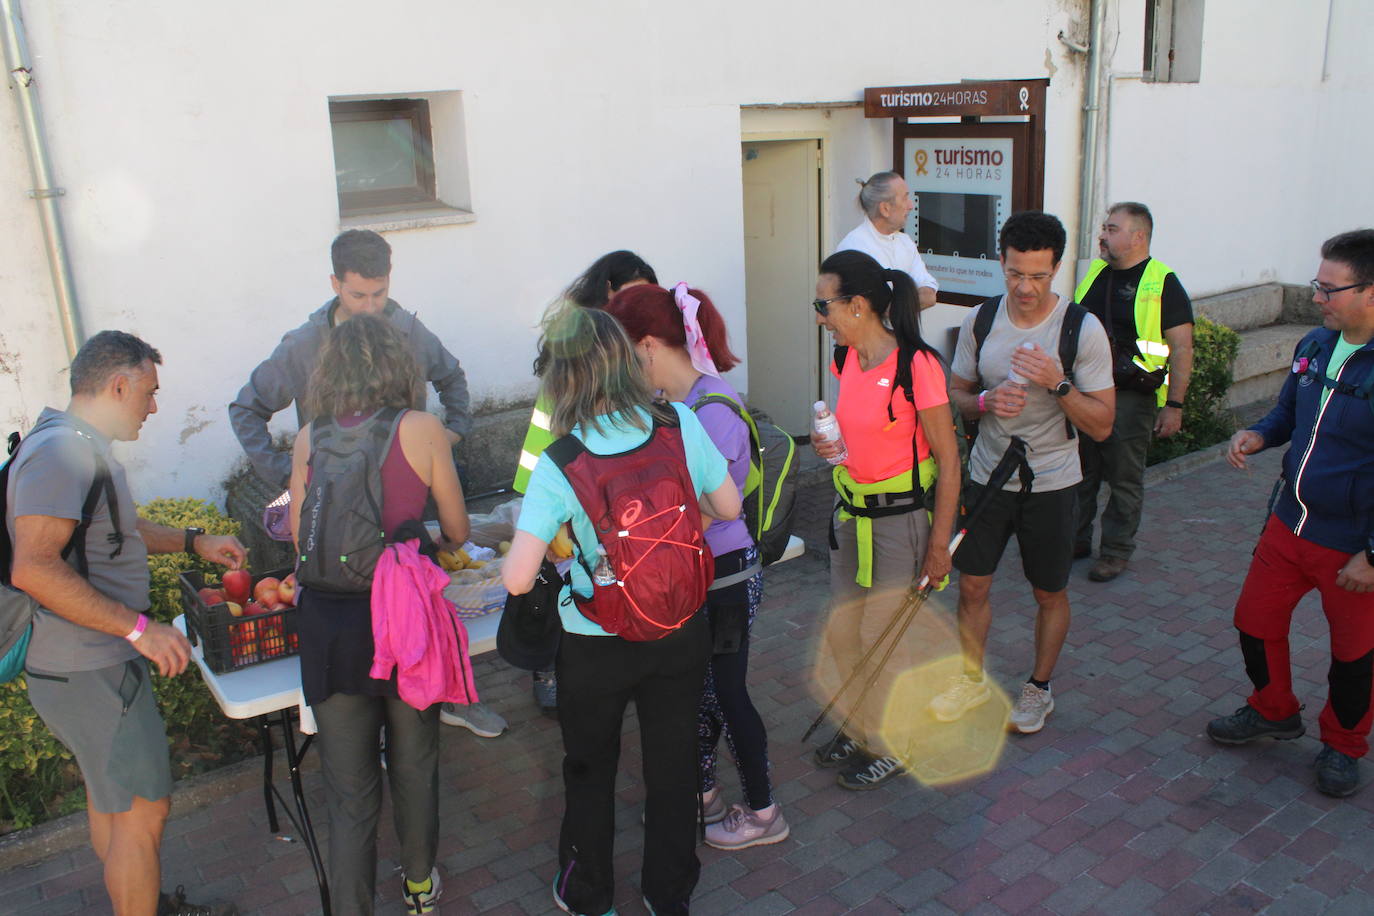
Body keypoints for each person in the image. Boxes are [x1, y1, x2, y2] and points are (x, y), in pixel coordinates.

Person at [502, 306, 740, 916]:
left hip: (595, 637)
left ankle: (590, 894)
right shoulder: (677, 421)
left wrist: (565, 549)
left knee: (589, 768)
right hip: (680, 624)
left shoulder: (560, 461)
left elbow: (517, 575)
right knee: (672, 763)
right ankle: (668, 892)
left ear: (563, 379)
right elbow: (730, 505)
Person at [7, 331, 246, 916]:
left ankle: (145, 902)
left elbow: (119, 527)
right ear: (119, 384)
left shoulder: (74, 447)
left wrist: (196, 540)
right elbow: (33, 568)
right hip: (89, 669)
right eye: (150, 391)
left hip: (88, 667)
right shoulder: (60, 454)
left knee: (114, 804)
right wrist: (139, 629)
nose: (155, 406)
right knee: (143, 812)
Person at [229, 229, 503, 739]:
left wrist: (455, 430)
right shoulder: (303, 345)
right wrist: (290, 477)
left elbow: (452, 375)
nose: (370, 307)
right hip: (335, 524)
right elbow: (246, 409)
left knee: (428, 600)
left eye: (379, 293)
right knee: (357, 629)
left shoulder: (405, 326)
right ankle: (367, 731)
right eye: (358, 295)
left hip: (402, 503)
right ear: (335, 283)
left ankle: (453, 695)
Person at [287, 315, 471, 914]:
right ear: (400, 365)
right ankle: (419, 885)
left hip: (329, 629)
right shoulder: (422, 428)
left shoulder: (309, 436)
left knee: (348, 791)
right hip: (405, 622)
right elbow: (458, 530)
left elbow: (298, 540)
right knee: (415, 764)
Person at [604, 282, 786, 847]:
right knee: (700, 690)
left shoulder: (712, 412)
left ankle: (763, 812)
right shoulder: (681, 406)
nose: (628, 373)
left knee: (727, 692)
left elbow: (704, 514)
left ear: (652, 345)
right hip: (698, 576)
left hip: (725, 578)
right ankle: (701, 793)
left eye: (629, 358)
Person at [1207, 229, 1374, 798]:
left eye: (1329, 288)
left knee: (1352, 659)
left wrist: (1372, 555)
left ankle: (1344, 746)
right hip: (1287, 524)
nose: (1317, 297)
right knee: (1253, 622)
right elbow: (1286, 415)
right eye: (1317, 286)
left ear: (1371, 292)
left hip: (1352, 547)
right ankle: (1273, 708)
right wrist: (1256, 435)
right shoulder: (1314, 345)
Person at [934, 211, 1114, 734]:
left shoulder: (1081, 329)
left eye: (1038, 275)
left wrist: (1059, 385)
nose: (1025, 287)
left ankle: (1038, 689)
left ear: (1056, 268)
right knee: (971, 588)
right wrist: (986, 401)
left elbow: (1102, 426)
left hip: (1053, 482)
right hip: (989, 476)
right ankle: (969, 681)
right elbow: (956, 396)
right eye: (1015, 273)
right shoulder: (982, 320)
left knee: (1048, 593)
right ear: (1001, 264)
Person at [809, 249, 962, 789]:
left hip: (900, 525)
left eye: (823, 303)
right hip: (851, 517)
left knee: (886, 635)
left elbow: (948, 462)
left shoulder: (915, 365)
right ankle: (863, 727)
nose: (820, 314)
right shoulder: (845, 359)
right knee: (847, 630)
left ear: (857, 305)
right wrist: (837, 450)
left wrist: (939, 544)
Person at [513, 250, 657, 718]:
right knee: (563, 575)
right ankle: (550, 669)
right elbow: (548, 435)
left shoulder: (626, 350)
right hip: (564, 482)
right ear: (609, 292)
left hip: (601, 491)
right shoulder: (579, 350)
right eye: (634, 294)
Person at [1074, 202, 1194, 582]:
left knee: (1124, 478)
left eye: (1112, 229)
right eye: (1104, 227)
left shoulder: (1163, 283)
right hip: (1086, 392)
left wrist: (1173, 405)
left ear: (1137, 237)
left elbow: (1182, 348)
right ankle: (1076, 541)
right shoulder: (1095, 272)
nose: (1102, 235)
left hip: (1131, 396)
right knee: (1080, 472)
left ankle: (1115, 551)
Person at [835, 171, 939, 310]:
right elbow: (869, 310)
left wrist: (895, 305)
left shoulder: (905, 242)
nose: (910, 205)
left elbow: (929, 293)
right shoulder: (853, 248)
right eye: (905, 198)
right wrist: (908, 301)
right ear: (885, 209)